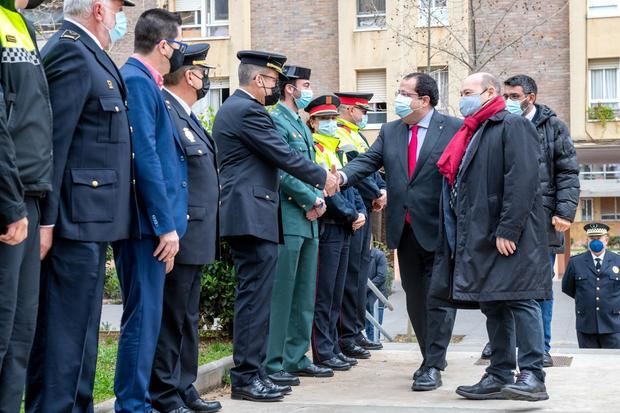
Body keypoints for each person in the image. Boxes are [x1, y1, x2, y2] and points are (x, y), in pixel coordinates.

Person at [24, 0, 135, 411]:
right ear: (99, 9)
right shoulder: (70, 50)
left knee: (82, 341)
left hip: (91, 220)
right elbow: (53, 144)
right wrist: (46, 221)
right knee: (62, 343)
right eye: (119, 7)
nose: (122, 16)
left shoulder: (89, 52)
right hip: (70, 222)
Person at [212, 51, 339, 402]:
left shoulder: (239, 109)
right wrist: (322, 178)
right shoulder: (246, 110)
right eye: (271, 80)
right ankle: (247, 377)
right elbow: (281, 153)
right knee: (254, 300)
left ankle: (254, 374)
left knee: (257, 297)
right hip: (249, 214)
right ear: (258, 80)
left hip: (253, 213)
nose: (274, 86)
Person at [431, 72, 551, 402]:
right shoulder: (477, 130)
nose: (462, 97)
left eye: (467, 91)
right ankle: (499, 373)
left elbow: (523, 178)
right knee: (494, 303)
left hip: (508, 235)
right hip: (482, 235)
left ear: (489, 93)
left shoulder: (512, 125)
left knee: (521, 299)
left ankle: (533, 375)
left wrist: (508, 229)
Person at [338, 73, 461, 391]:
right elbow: (366, 162)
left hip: (441, 228)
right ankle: (430, 355)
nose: (397, 97)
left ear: (424, 100)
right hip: (404, 229)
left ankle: (432, 363)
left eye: (404, 93)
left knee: (439, 296)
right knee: (416, 299)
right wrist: (338, 178)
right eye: (397, 91)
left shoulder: (453, 128)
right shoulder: (391, 131)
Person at [113, 9, 189, 412]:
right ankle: (132, 405)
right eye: (177, 45)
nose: (179, 53)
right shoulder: (138, 82)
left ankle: (136, 401)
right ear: (164, 45)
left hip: (153, 227)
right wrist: (165, 226)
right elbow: (145, 157)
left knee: (148, 318)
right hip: (145, 226)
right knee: (142, 320)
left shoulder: (147, 83)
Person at [479, 74, 580, 366]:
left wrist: (564, 211)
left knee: (539, 287)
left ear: (530, 98)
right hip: (506, 219)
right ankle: (502, 347)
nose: (508, 101)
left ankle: (541, 347)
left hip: (544, 220)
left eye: (514, 96)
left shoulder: (554, 127)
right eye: (505, 96)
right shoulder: (499, 124)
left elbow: (567, 171)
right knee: (503, 284)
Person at [148, 44, 222, 413]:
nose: (205, 77)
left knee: (187, 316)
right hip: (180, 232)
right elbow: (161, 175)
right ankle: (163, 392)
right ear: (190, 75)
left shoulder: (186, 114)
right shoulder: (166, 111)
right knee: (172, 316)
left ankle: (183, 386)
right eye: (202, 70)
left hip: (197, 234)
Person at [263, 65, 334, 387]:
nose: (308, 90)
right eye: (305, 85)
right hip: (290, 215)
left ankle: (295, 357)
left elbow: (308, 165)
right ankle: (274, 361)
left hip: (309, 218)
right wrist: (310, 199)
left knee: (304, 293)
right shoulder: (276, 119)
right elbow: (282, 168)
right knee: (283, 293)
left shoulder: (298, 124)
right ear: (290, 88)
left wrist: (317, 199)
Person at [0, 0, 52, 410]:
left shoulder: (21, 22)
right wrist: (9, 203)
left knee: (20, 335)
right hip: (8, 204)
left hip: (29, 197)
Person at [306, 95, 367, 372]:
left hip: (343, 226)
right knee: (324, 292)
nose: (330, 123)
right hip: (329, 225)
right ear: (313, 122)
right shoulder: (318, 148)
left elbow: (348, 186)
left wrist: (356, 211)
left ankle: (333, 347)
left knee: (336, 294)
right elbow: (328, 194)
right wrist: (351, 214)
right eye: (324, 119)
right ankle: (323, 350)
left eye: (333, 118)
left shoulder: (335, 149)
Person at [335, 92, 386, 356]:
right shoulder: (342, 135)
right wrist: (376, 194)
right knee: (351, 273)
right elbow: (357, 172)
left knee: (359, 271)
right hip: (355, 208)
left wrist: (382, 190)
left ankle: (356, 330)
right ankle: (348, 334)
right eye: (361, 111)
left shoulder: (357, 134)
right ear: (347, 109)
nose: (364, 116)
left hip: (364, 206)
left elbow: (374, 170)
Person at [562, 223, 620, 349]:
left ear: (606, 240)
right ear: (587, 240)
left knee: (613, 364)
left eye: (598, 238)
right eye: (592, 238)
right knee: (587, 362)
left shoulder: (617, 261)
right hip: (586, 323)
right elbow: (567, 287)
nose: (595, 242)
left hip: (613, 324)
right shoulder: (575, 262)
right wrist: (586, 298)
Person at [365, 247, 389, 342]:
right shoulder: (359, 254)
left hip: (377, 296)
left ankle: (374, 343)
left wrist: (364, 288)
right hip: (364, 296)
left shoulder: (379, 255)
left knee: (375, 326)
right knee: (366, 325)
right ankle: (371, 344)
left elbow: (381, 276)